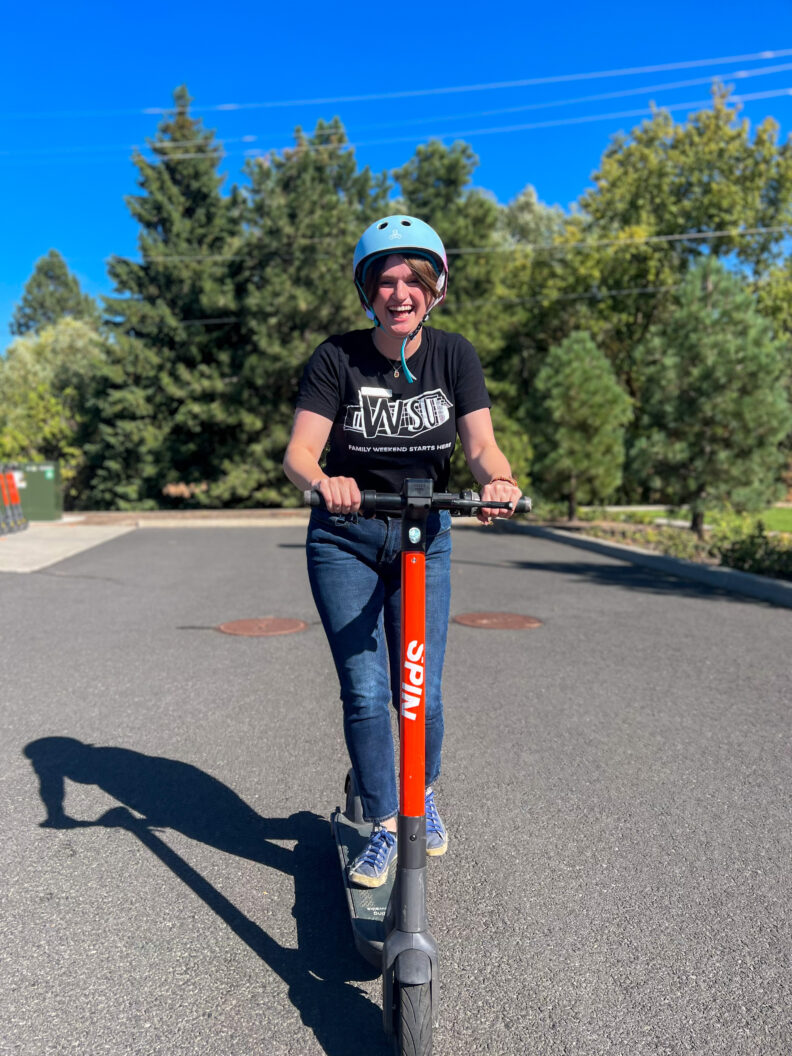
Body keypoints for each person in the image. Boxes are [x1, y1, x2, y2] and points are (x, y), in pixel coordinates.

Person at [283, 214, 521, 888]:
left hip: (425, 533)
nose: (399, 292)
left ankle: (420, 796)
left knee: (421, 692)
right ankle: (386, 823)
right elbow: (299, 452)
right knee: (364, 692)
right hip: (346, 540)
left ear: (435, 286)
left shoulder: (454, 356)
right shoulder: (338, 358)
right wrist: (324, 481)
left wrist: (497, 480)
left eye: (412, 279)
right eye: (384, 281)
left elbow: (479, 446)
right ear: (367, 291)